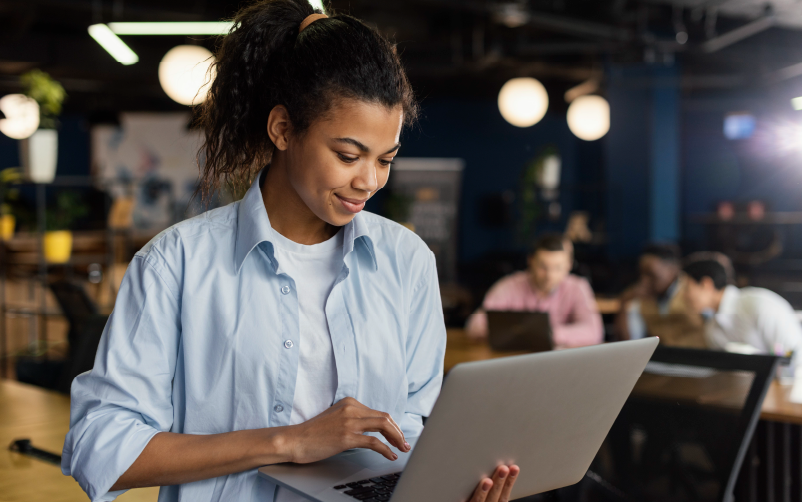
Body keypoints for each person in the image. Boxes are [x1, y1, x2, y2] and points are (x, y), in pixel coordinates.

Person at [61, 2, 520, 502]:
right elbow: (98, 446)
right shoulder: (176, 264)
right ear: (282, 129)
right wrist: (288, 442)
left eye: (384, 159)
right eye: (347, 155)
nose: (368, 181)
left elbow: (420, 425)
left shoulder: (407, 260)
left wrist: (452, 486)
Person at [466, 234, 603, 347]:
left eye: (558, 268)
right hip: (515, 361)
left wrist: (544, 333)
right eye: (543, 267)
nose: (550, 275)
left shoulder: (578, 287)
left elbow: (594, 331)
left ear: (569, 265)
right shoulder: (509, 285)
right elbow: (476, 325)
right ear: (530, 261)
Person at [683, 258, 802, 369]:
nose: (684, 296)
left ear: (706, 284)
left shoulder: (757, 304)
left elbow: (793, 355)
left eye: (687, 288)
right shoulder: (712, 329)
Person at [616, 243, 706, 348]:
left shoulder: (694, 290)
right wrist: (624, 303)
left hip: (696, 358)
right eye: (642, 274)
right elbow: (629, 342)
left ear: (672, 269)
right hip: (660, 360)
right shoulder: (642, 298)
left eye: (651, 274)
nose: (644, 281)